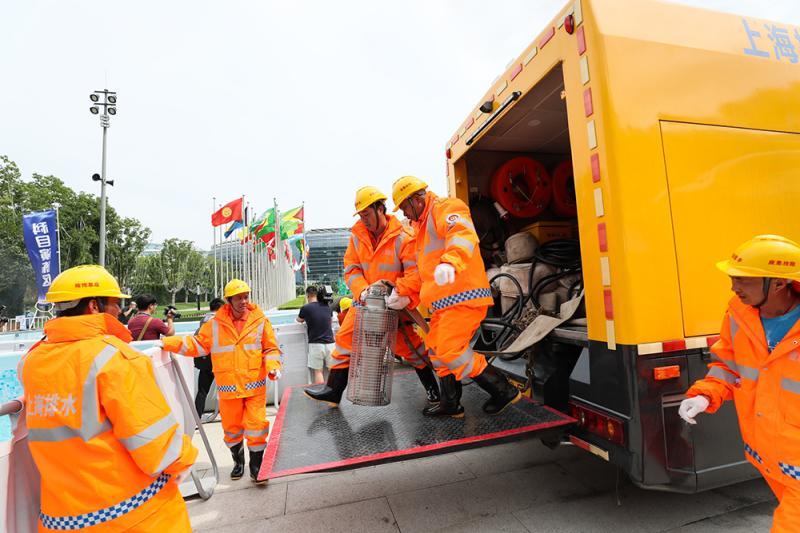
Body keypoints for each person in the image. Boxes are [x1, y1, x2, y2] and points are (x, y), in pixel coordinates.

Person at [20, 265, 197, 531]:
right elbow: (156, 445)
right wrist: (186, 457)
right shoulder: (115, 358)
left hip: (62, 519)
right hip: (135, 514)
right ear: (94, 305)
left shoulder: (32, 361)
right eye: (115, 304)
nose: (120, 311)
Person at [679, 235, 800, 532]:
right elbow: (728, 366)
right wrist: (705, 396)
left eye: (743, 279)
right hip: (769, 456)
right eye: (733, 278)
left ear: (779, 283)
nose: (734, 287)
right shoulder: (738, 315)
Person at [390, 176, 521, 418]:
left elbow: (462, 233)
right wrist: (404, 294)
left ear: (415, 200)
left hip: (464, 297)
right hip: (444, 305)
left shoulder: (446, 208)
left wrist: (451, 262)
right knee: (436, 351)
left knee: (450, 348)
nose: (405, 214)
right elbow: (422, 272)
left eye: (405, 207)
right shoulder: (419, 229)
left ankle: (503, 390)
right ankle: (451, 403)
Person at [305, 185, 439, 406]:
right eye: (361, 215)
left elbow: (415, 272)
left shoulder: (403, 237)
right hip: (365, 302)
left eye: (367, 214)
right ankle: (333, 390)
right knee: (344, 340)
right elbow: (351, 269)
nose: (364, 219)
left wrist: (401, 293)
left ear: (380, 209)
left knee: (410, 348)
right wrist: (363, 290)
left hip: (395, 305)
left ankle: (435, 388)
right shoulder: (357, 236)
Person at [158, 279, 281, 483]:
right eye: (239, 298)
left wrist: (273, 366)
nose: (244, 301)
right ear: (229, 300)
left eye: (246, 296)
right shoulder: (214, 324)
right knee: (231, 430)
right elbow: (196, 345)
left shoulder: (260, 320)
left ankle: (256, 467)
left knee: (257, 426)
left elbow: (271, 348)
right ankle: (238, 461)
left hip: (255, 387)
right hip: (229, 388)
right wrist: (167, 343)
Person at [194, 297, 225, 420]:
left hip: (204, 360)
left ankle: (196, 418)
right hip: (217, 359)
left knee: (202, 391)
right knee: (226, 389)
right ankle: (229, 415)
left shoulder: (203, 320)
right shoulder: (217, 320)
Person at [297, 286, 336, 384]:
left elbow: (299, 320)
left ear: (307, 295)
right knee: (332, 370)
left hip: (316, 344)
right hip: (331, 343)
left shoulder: (306, 308)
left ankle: (320, 395)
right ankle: (334, 393)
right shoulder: (327, 307)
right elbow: (330, 321)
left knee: (318, 372)